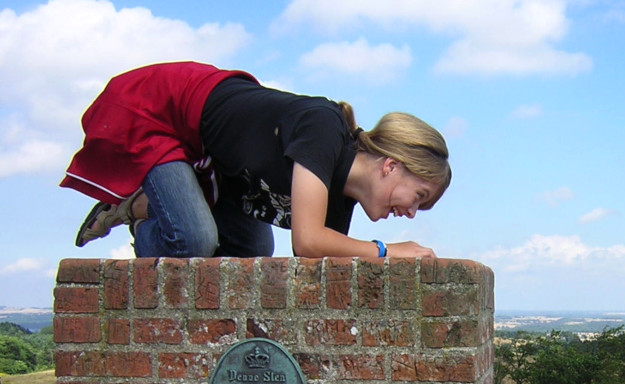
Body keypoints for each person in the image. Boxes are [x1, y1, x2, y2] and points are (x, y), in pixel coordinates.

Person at [61, 61, 451, 259]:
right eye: (418, 196)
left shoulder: (340, 194)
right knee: (195, 240)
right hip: (163, 114)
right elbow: (309, 239)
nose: (412, 213)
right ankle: (135, 215)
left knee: (252, 249)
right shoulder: (324, 128)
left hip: (215, 162)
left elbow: (309, 256)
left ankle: (153, 205)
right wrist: (387, 252)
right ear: (391, 165)